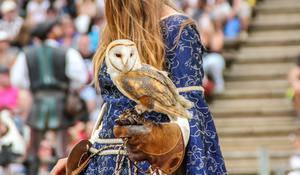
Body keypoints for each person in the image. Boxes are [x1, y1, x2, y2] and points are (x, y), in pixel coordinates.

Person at [52, 0, 227, 174]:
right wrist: (85, 156)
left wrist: (162, 144)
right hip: (101, 163)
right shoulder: (113, 28)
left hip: (148, 166)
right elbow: (112, 105)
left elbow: (192, 115)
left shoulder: (177, 29)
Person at [10, 19, 88, 175]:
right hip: (60, 102)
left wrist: (35, 87)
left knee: (33, 147)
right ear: (50, 32)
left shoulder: (27, 54)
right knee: (61, 148)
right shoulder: (67, 52)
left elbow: (17, 79)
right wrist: (66, 87)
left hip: (38, 101)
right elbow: (81, 77)